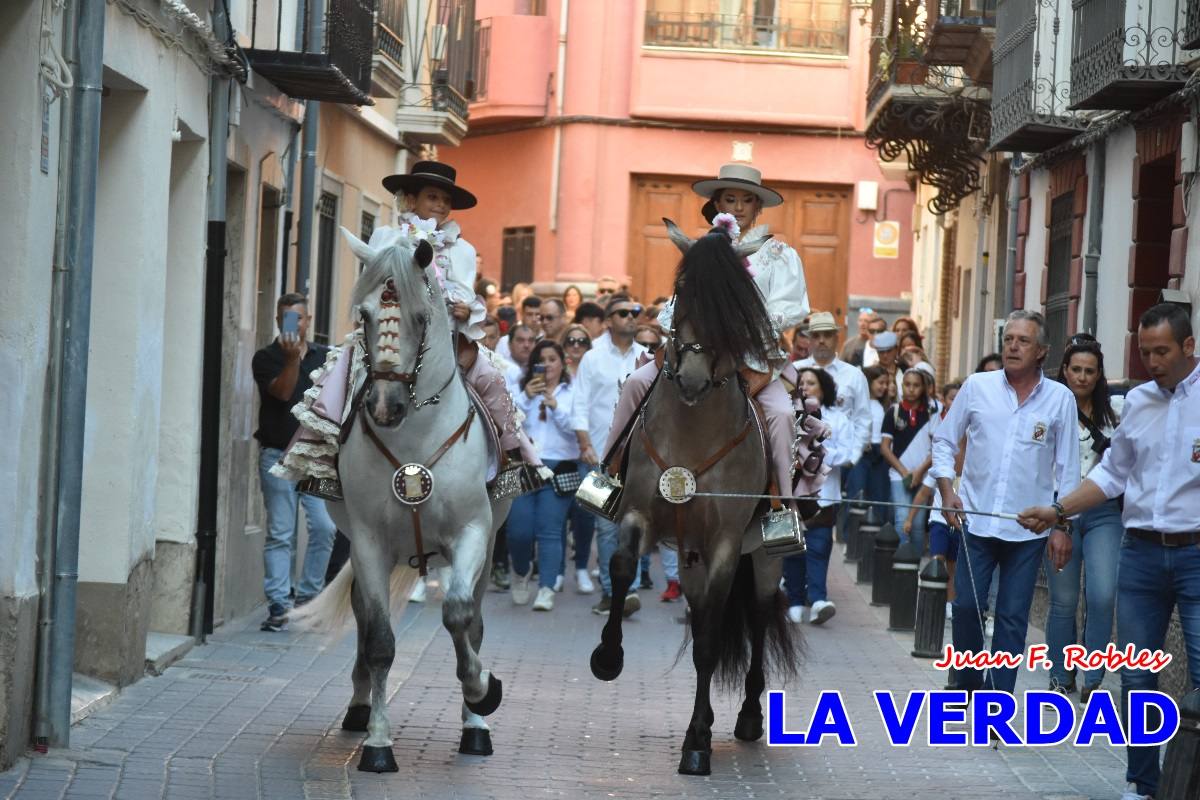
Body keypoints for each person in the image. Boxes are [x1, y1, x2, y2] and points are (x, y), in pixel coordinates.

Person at [1018, 303, 1199, 800]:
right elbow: (1111, 474)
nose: (1152, 362)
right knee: (1137, 675)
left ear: (1188, 347)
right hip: (1139, 553)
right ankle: (1143, 783)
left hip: (1195, 557)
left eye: (1161, 351)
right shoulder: (1137, 402)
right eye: (1144, 353)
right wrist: (1058, 511)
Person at [603, 163, 811, 523]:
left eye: (747, 200)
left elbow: (792, 307)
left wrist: (744, 325)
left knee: (781, 414)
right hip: (695, 353)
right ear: (717, 204)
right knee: (635, 384)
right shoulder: (700, 251)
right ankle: (608, 475)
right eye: (730, 198)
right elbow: (676, 305)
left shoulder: (779, 253)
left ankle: (782, 509)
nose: (738, 207)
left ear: (758, 207)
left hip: (753, 359)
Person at [932, 310, 1080, 697]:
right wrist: (948, 491)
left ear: (1042, 352)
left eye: (1023, 341)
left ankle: (996, 700)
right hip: (976, 522)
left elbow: (1068, 468)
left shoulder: (1061, 399)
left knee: (1012, 618)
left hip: (1029, 529)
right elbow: (945, 440)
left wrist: (1063, 527)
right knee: (966, 607)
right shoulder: (977, 387)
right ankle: (966, 682)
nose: (1013, 346)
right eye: (1008, 339)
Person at [1038, 338, 1123, 700]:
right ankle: (1060, 674)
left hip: (1103, 512)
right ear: (1065, 371)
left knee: (1103, 595)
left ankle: (1094, 675)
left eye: (1090, 371)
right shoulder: (1048, 411)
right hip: (1060, 513)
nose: (1082, 377)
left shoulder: (1116, 412)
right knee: (1064, 600)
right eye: (1076, 369)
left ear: (1099, 374)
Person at [251, 293, 336, 631]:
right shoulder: (266, 357)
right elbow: (282, 394)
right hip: (277, 454)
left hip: (315, 457)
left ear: (308, 320)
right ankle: (277, 605)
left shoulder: (325, 357)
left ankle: (308, 600)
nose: (293, 324)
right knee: (281, 533)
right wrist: (290, 360)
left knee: (326, 528)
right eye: (286, 317)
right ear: (276, 319)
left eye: (298, 318)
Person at [572, 293, 648, 615]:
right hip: (600, 459)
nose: (630, 317)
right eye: (622, 313)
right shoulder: (592, 357)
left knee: (633, 525)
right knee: (605, 527)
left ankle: (627, 589)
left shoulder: (647, 356)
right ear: (607, 322)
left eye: (634, 312)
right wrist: (585, 445)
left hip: (641, 458)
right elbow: (580, 403)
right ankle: (611, 591)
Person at [781, 367, 857, 624]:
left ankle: (817, 599)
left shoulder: (838, 419)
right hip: (784, 494)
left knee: (819, 547)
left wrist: (816, 454)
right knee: (787, 547)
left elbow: (848, 453)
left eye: (811, 383)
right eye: (801, 382)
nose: (805, 387)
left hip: (824, 494)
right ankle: (792, 601)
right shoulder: (781, 412)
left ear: (823, 389)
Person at [507, 341, 579, 611]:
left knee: (549, 530)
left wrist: (555, 406)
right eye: (541, 360)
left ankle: (547, 588)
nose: (547, 365)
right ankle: (520, 571)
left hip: (560, 466)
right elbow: (509, 422)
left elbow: (577, 430)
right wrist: (526, 396)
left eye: (552, 359)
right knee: (518, 531)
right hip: (524, 465)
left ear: (563, 362)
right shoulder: (519, 390)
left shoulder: (574, 391)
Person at [881, 368, 938, 552]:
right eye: (907, 384)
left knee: (919, 523)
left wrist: (920, 471)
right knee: (902, 517)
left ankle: (915, 566)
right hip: (899, 475)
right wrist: (904, 471)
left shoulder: (931, 412)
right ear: (901, 386)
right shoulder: (894, 412)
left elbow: (936, 446)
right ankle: (900, 563)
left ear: (924, 388)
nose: (911, 389)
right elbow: (885, 447)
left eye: (916, 385)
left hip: (924, 475)